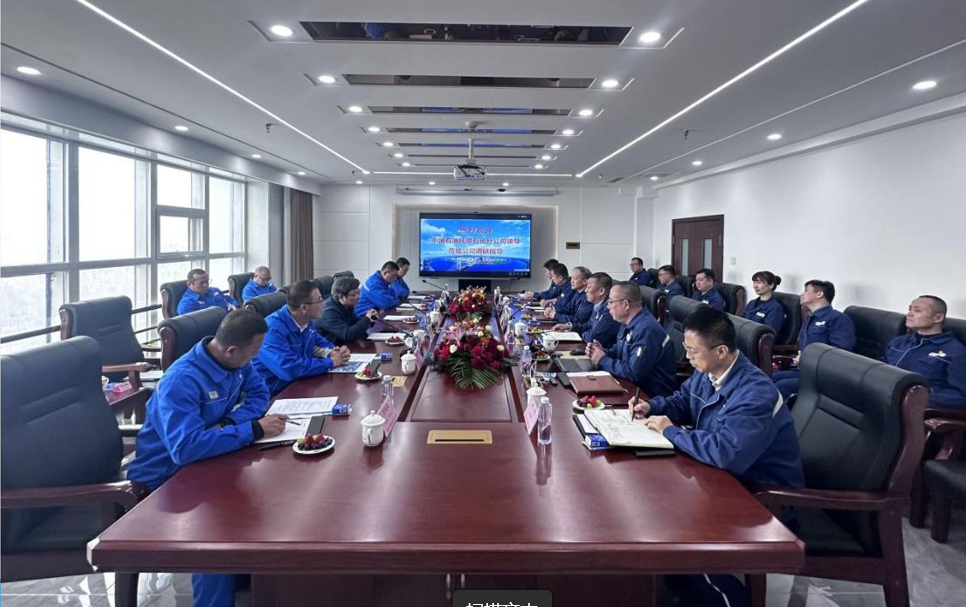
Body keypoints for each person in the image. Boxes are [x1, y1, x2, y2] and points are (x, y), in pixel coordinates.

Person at [127, 309, 288, 607]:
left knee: (274, 499)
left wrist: (229, 424)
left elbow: (259, 395)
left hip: (209, 458)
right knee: (215, 530)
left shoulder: (237, 363)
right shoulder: (181, 380)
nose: (256, 357)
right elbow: (185, 448)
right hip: (167, 478)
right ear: (231, 350)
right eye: (254, 352)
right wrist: (252, 429)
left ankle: (261, 580)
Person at [629, 306, 804, 486]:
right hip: (716, 473)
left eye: (693, 351)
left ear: (721, 352)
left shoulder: (756, 394)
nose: (687, 357)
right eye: (686, 348)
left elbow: (726, 452)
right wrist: (652, 406)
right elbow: (684, 401)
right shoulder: (708, 370)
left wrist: (670, 431)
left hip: (759, 490)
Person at [252, 280, 350, 395]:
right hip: (274, 393)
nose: (323, 304)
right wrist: (330, 362)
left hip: (300, 382)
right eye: (319, 300)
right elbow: (288, 369)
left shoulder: (305, 320)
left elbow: (318, 341)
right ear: (303, 308)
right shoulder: (271, 329)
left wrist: (334, 351)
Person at [587, 281, 676, 398]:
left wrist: (602, 360)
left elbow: (634, 372)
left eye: (610, 302)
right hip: (630, 387)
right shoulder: (628, 322)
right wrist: (602, 351)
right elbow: (620, 351)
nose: (608, 306)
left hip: (649, 397)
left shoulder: (646, 329)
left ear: (625, 304)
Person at [772, 279, 856, 402]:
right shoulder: (810, 318)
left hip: (824, 374)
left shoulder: (838, 319)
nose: (801, 294)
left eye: (806, 291)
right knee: (768, 378)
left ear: (819, 294)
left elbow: (841, 352)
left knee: (782, 386)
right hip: (805, 369)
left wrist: (809, 359)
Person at [884, 295, 965, 408]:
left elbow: (961, 395)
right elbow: (882, 368)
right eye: (910, 309)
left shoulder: (955, 352)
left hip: (917, 408)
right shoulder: (899, 342)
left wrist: (915, 399)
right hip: (885, 397)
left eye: (917, 311)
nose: (909, 314)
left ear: (938, 318)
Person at [553, 272, 620, 348]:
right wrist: (569, 327)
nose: (585, 290)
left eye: (589, 287)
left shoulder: (610, 310)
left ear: (601, 291)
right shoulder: (597, 305)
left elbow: (593, 338)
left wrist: (579, 334)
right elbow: (588, 325)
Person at [319, 276, 380, 345]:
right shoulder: (328, 312)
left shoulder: (346, 305)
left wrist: (371, 319)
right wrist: (367, 319)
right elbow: (347, 335)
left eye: (358, 293)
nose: (358, 297)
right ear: (341, 297)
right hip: (330, 347)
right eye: (353, 295)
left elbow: (355, 322)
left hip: (343, 345)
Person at [742, 271, 785, 335]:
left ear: (771, 285)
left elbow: (768, 333)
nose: (755, 286)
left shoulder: (775, 308)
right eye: (754, 282)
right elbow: (741, 321)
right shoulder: (751, 303)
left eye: (759, 283)